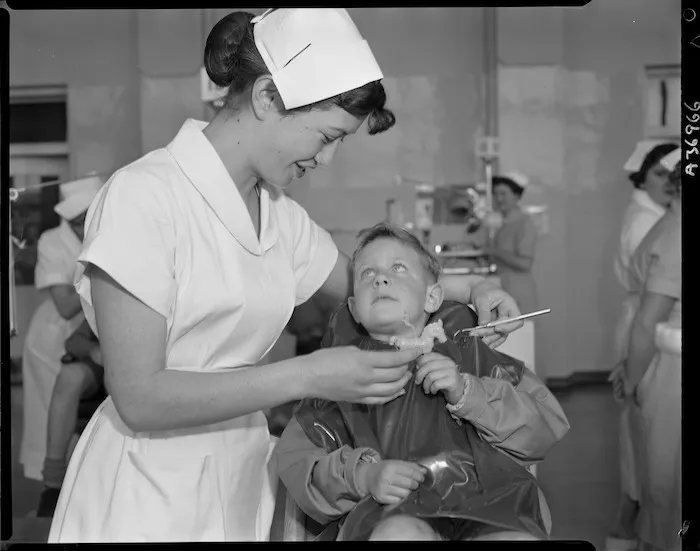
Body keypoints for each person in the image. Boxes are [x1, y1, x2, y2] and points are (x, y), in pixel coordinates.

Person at [47, 9, 523, 543]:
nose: (327, 159)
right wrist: (310, 375)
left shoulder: (277, 212)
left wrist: (473, 290)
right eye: (325, 136)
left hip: (244, 466)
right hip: (149, 485)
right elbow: (139, 395)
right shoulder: (146, 196)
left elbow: (364, 284)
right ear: (269, 97)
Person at [275, 222, 569, 541]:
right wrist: (363, 475)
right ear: (354, 309)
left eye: (398, 268)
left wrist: (470, 393)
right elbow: (298, 460)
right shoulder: (339, 374)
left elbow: (544, 428)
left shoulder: (470, 355)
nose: (381, 278)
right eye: (367, 274)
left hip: (492, 504)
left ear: (433, 298)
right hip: (389, 512)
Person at [606, 141, 678, 551]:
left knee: (648, 449)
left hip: (649, 332)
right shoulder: (655, 225)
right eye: (660, 175)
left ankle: (630, 529)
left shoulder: (656, 218)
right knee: (648, 450)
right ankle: (630, 528)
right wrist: (633, 373)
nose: (668, 184)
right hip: (653, 334)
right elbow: (655, 305)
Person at [19, 176, 104, 485]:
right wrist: (103, 283)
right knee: (48, 413)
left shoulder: (108, 231)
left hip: (94, 329)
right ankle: (51, 483)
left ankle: (80, 480)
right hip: (53, 335)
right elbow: (66, 306)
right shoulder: (52, 240)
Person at [484, 172, 538, 313]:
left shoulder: (524, 223)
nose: (498, 198)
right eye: (496, 194)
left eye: (503, 193)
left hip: (519, 291)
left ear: (516, 195)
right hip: (506, 288)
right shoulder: (505, 225)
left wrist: (494, 251)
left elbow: (524, 263)